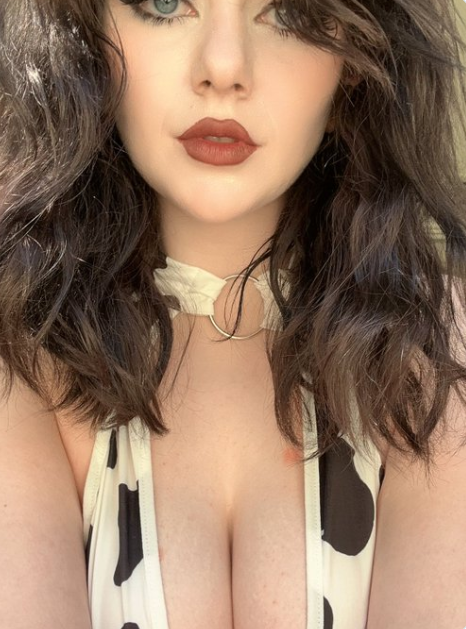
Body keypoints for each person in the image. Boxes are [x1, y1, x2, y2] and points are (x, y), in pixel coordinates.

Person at [1, 0, 466, 627]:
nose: (223, 69)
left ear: (357, 65)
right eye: (164, 3)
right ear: (85, 36)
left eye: (291, 11)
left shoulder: (440, 354)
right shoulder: (19, 354)